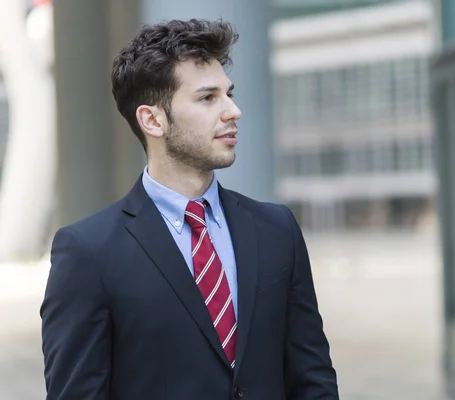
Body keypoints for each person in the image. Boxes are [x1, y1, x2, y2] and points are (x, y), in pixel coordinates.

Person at [40, 19, 338, 400]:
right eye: (207, 98)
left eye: (229, 94)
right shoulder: (88, 252)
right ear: (153, 120)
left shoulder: (276, 229)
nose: (233, 111)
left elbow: (313, 380)